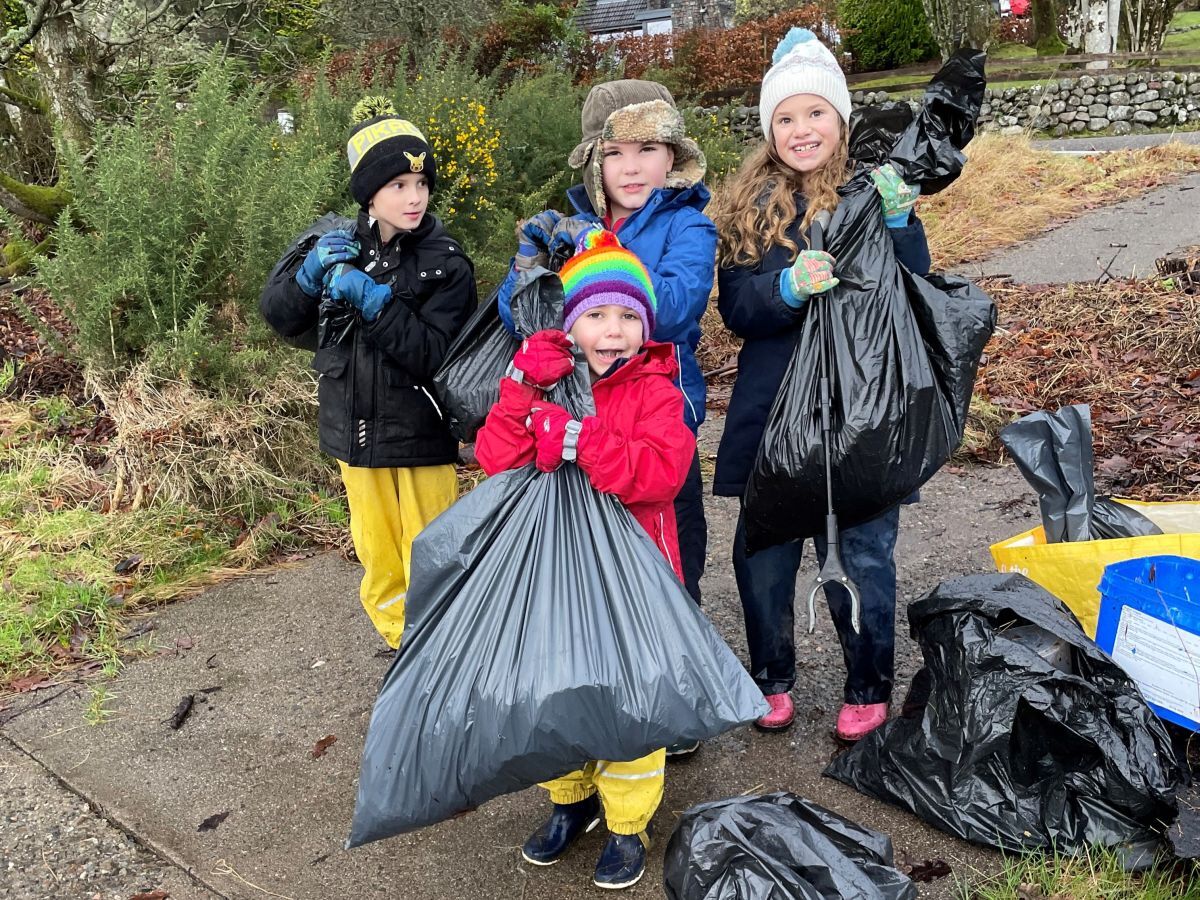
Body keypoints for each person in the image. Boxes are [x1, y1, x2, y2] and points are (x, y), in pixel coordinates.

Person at [712, 30, 930, 743]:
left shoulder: (871, 191)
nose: (801, 130)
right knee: (763, 558)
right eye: (785, 118)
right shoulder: (749, 208)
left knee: (863, 558)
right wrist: (785, 286)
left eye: (815, 114)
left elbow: (913, 288)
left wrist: (901, 225)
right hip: (772, 416)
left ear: (839, 118)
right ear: (769, 129)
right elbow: (738, 310)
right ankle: (771, 679)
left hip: (857, 414)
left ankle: (867, 685)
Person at [475, 228, 693, 890]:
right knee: (557, 693)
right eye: (595, 314)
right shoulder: (548, 379)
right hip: (553, 576)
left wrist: (580, 439)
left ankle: (627, 822)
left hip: (634, 581)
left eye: (629, 315)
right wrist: (518, 387)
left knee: (630, 705)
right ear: (572, 324)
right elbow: (495, 461)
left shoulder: (656, 389)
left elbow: (662, 472)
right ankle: (571, 800)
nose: (613, 330)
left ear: (645, 326)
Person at [259, 97, 477, 649]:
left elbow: (436, 353)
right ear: (369, 193)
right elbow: (281, 317)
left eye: (421, 183)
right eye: (399, 185)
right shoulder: (330, 242)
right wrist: (308, 278)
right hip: (354, 433)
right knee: (379, 554)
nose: (414, 197)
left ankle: (446, 647)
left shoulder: (446, 259)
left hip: (423, 434)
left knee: (437, 550)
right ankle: (401, 647)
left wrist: (376, 304)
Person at [497, 80, 716, 611]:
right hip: (577, 411)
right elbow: (521, 318)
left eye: (647, 150)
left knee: (667, 539)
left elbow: (671, 310)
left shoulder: (688, 226)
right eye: (614, 153)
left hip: (659, 409)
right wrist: (529, 264)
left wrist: (603, 249)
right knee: (588, 561)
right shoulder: (575, 226)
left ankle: (679, 633)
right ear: (595, 163)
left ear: (673, 157)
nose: (631, 167)